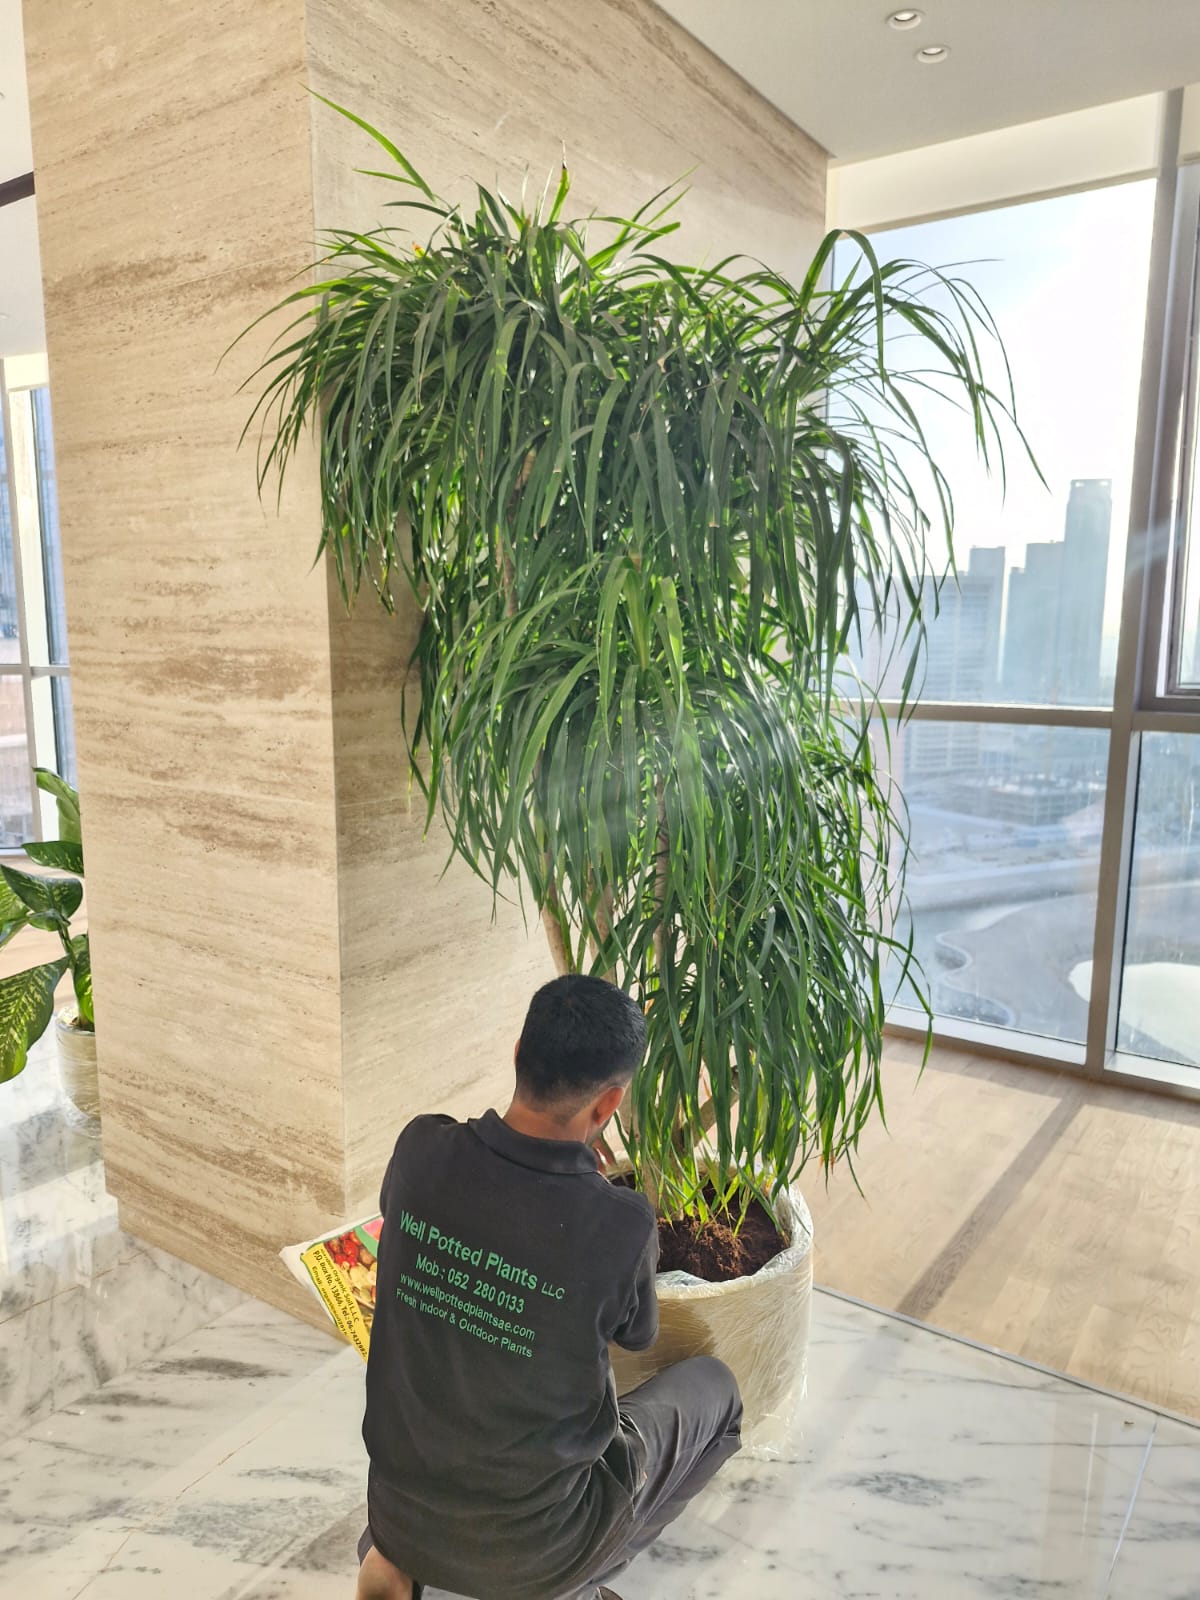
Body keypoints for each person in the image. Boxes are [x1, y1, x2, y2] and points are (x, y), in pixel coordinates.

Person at [355, 973, 744, 1600]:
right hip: (538, 1549)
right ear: (608, 1104)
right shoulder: (618, 1222)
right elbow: (638, 1337)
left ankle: (419, 1563)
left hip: (397, 1516)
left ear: (516, 1054)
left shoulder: (420, 1148)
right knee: (717, 1391)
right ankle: (573, 1583)